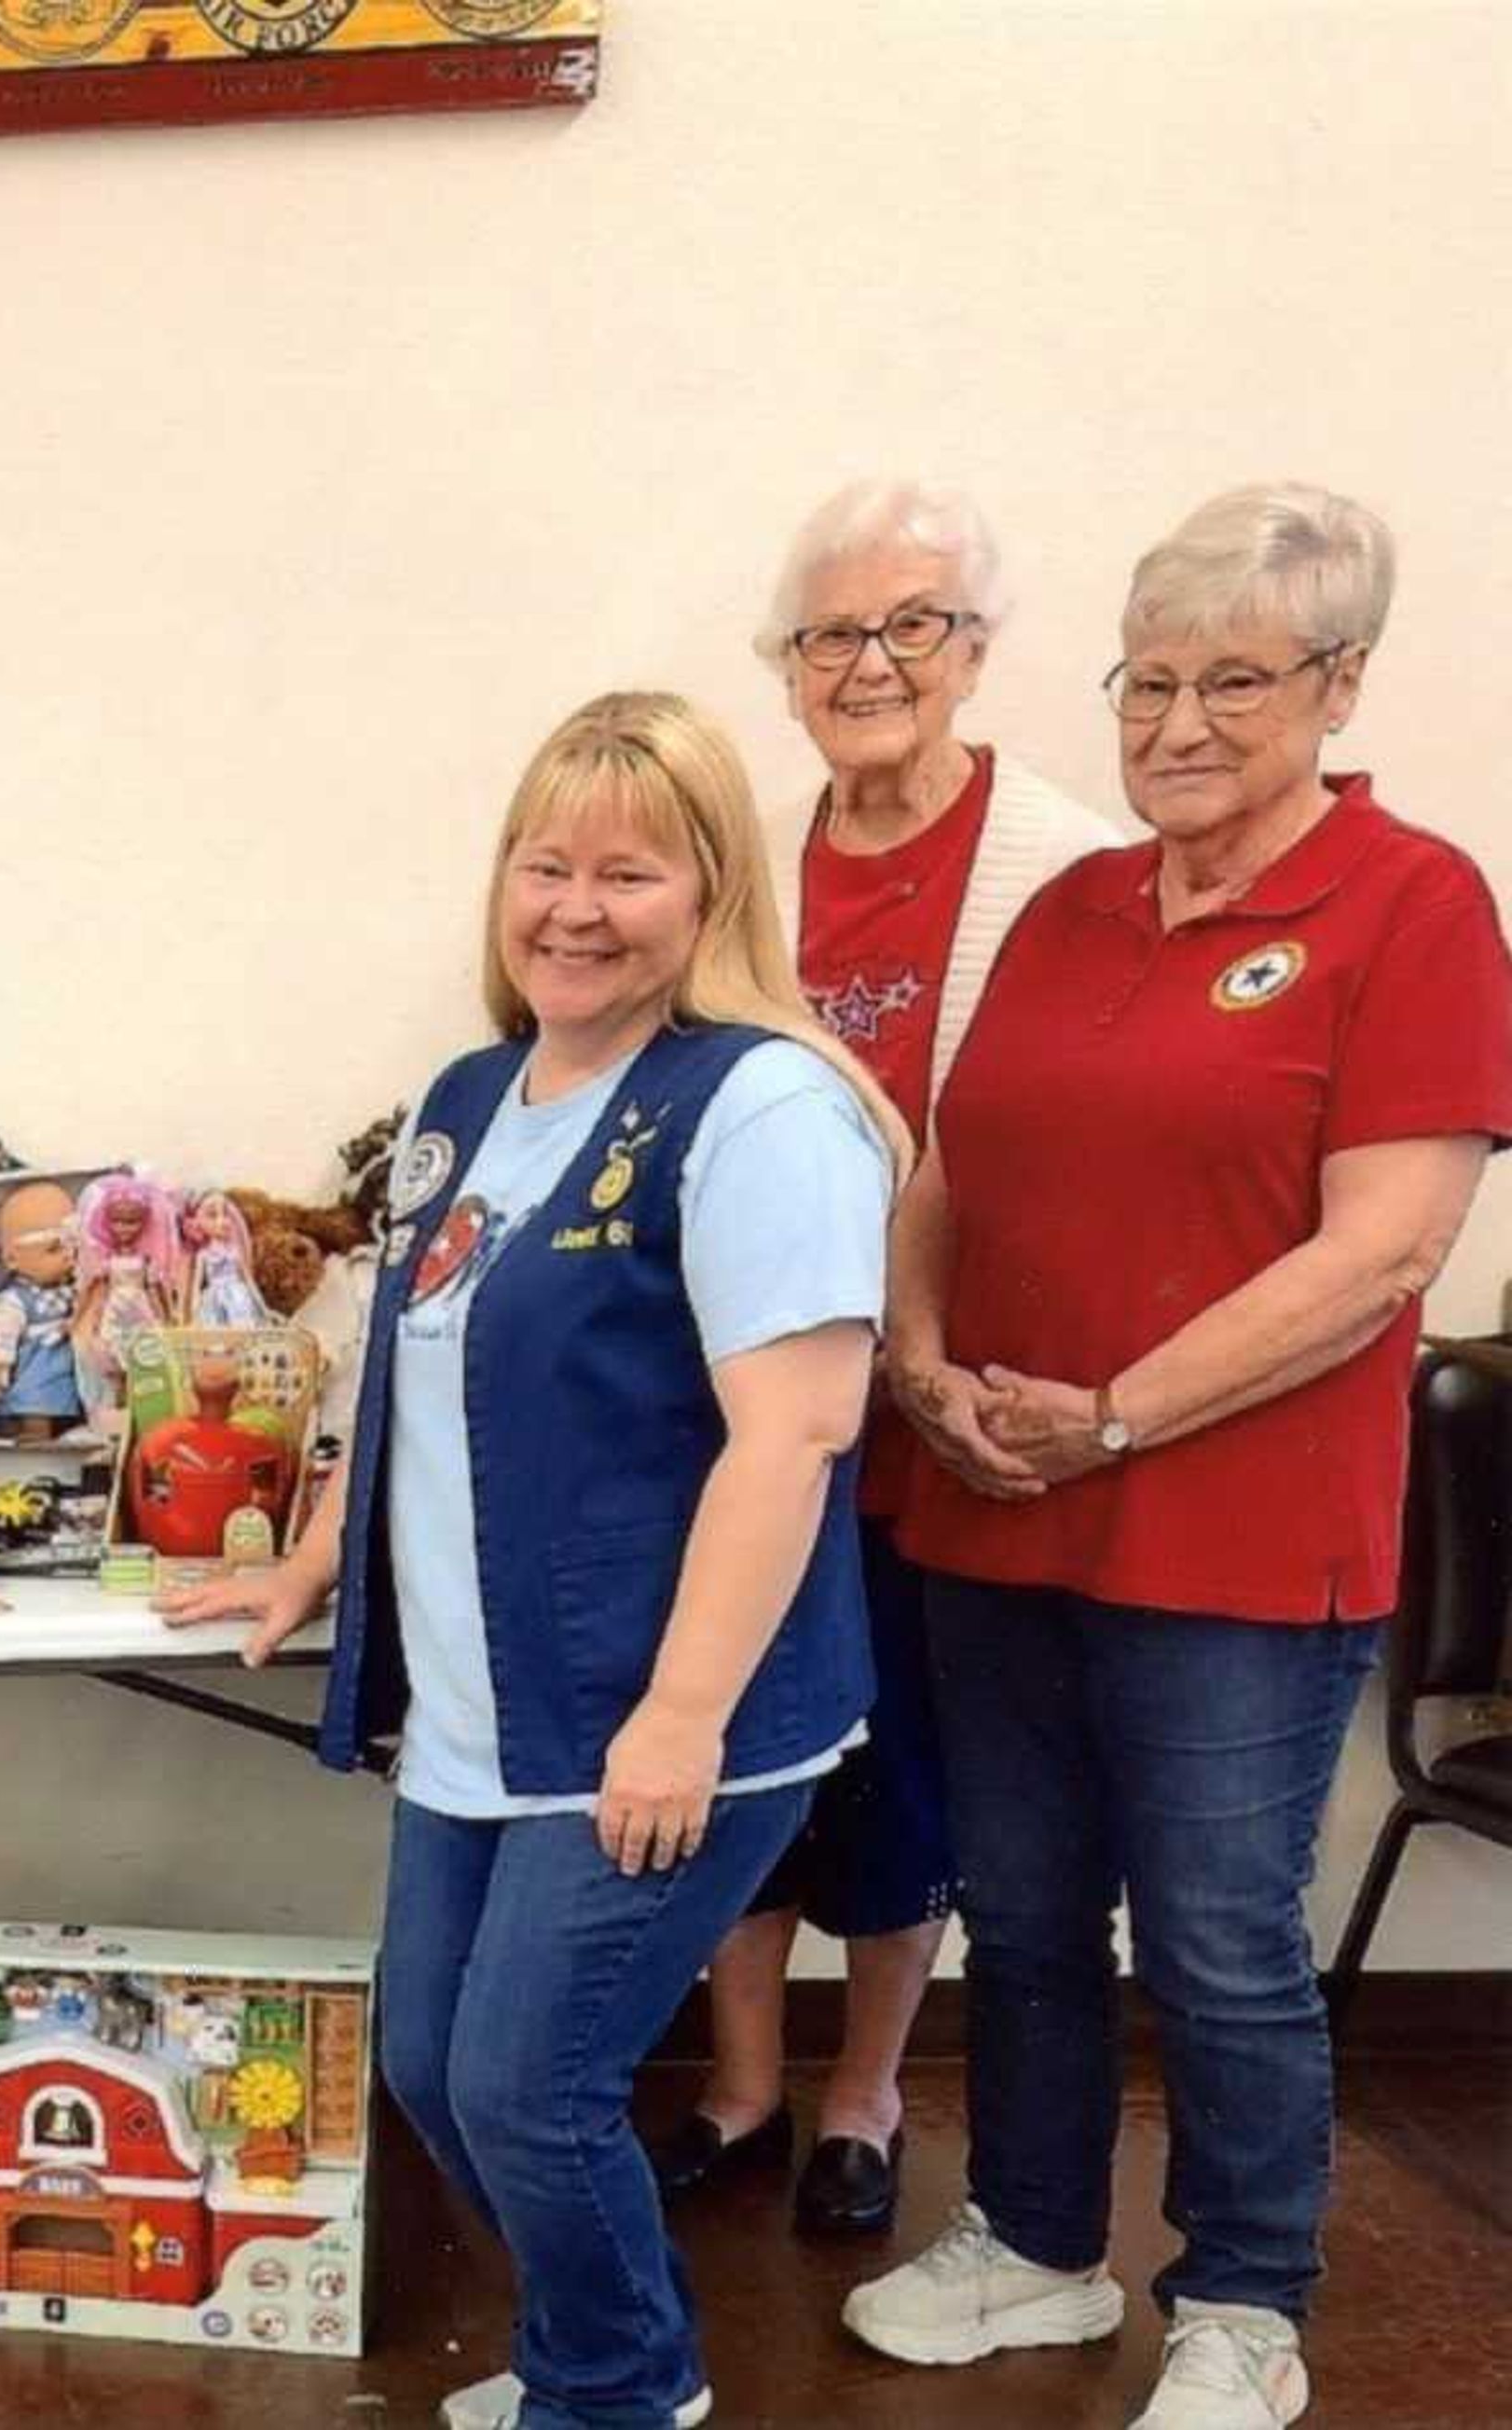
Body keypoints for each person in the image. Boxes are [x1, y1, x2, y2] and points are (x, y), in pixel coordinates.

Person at [845, 484, 1512, 2430]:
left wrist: (1122, 1408)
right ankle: (1039, 2245)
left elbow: (1385, 1248)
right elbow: (951, 1164)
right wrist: (921, 1356)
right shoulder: (1070, 905)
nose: (1178, 726)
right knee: (1029, 1912)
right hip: (996, 1502)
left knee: (1221, 1938)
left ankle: (1242, 2298)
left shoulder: (1416, 904)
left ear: (1341, 682)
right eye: (1147, 682)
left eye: (1234, 680)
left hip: (1234, 1538)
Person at [172, 692, 901, 2428]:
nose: (573, 907)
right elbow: (411, 1361)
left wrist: (680, 1717)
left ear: (712, 893)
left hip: (658, 1707)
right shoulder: (474, 1092)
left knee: (530, 2082)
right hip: (487, 1701)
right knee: (436, 2066)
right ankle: (607, 2360)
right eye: (544, 863)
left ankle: (620, 2389)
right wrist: (316, 1567)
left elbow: (793, 1429)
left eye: (628, 872)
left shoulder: (766, 1105)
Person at [647, 482, 1126, 2237]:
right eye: (831, 634)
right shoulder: (743, 865)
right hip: (757, 1405)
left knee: (915, 1768)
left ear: (977, 652)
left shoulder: (1073, 868)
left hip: (958, 1405)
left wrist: (943, 1355)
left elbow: (1063, 1153)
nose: (870, 664)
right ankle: (747, 2081)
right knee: (746, 1738)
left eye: (911, 625)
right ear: (784, 671)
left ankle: (863, 2099)